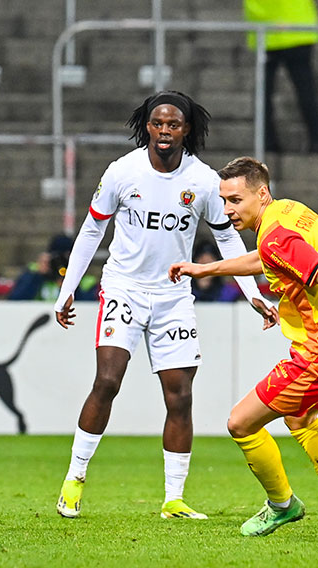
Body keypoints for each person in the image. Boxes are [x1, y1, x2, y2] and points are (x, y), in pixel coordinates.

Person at [53, 91, 277, 521]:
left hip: (174, 296)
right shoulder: (123, 171)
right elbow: (90, 232)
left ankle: (173, 498)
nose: (164, 131)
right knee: (108, 381)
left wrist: (254, 294)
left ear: (186, 130)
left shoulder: (204, 181)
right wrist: (68, 291)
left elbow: (228, 236)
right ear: (148, 127)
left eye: (173, 124)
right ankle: (74, 479)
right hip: (124, 288)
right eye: (158, 123)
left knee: (180, 396)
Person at [170, 156, 318, 536]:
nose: (227, 210)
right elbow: (266, 260)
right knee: (299, 420)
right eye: (223, 200)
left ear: (260, 193)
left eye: (235, 200)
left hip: (314, 354)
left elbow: (307, 267)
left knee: (241, 422)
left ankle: (282, 505)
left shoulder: (274, 237)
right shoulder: (288, 212)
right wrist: (205, 268)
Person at [245, 0, 318, 153]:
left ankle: (268, 143)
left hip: (268, 31)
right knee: (306, 91)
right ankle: (315, 138)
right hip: (297, 27)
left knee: (264, 93)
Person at [8, 234, 97, 301]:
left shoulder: (87, 281)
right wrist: (37, 276)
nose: (60, 264)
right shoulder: (33, 272)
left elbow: (87, 308)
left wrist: (71, 282)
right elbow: (14, 301)